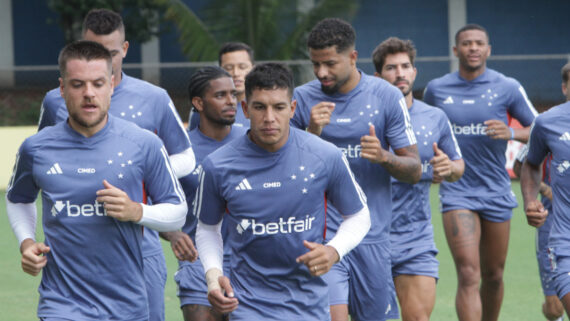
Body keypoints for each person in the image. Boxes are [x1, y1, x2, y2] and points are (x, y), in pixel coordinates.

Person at [5, 40, 187, 320]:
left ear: (112, 85)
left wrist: (137, 211)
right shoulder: (36, 148)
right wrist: (27, 242)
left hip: (127, 306)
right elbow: (18, 198)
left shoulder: (144, 144)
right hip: (61, 305)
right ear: (62, 89)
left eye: (98, 83)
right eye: (77, 85)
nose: (89, 93)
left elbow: (177, 212)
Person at [194, 63, 371, 320]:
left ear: (292, 108)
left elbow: (359, 215)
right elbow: (208, 228)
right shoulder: (217, 165)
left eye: (278, 107)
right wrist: (213, 276)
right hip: (248, 306)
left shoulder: (324, 155)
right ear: (245, 109)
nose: (269, 118)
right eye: (259, 107)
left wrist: (334, 250)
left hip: (310, 307)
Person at [291, 18, 421, 321]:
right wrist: (311, 133)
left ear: (352, 57)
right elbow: (286, 173)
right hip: (320, 237)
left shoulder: (387, 96)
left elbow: (414, 169)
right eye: (315, 64)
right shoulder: (301, 99)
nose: (322, 72)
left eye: (330, 63)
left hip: (371, 237)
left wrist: (384, 157)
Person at [423, 24, 538, 321]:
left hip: (497, 191)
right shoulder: (437, 89)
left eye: (478, 43)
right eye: (466, 43)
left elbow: (540, 129)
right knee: (468, 272)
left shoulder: (507, 86)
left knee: (494, 275)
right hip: (457, 191)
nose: (472, 48)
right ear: (455, 50)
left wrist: (511, 131)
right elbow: (423, 130)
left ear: (488, 50)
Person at [372, 37, 465, 321]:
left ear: (414, 71)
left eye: (405, 66)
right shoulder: (364, 118)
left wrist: (447, 168)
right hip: (370, 235)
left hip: (416, 234)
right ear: (378, 76)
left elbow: (459, 166)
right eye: (391, 68)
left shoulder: (435, 117)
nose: (399, 73)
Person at [161, 66, 247, 321]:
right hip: (197, 261)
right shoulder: (179, 151)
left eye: (233, 94)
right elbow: (154, 203)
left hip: (251, 261)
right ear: (198, 103)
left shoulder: (253, 141)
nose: (231, 101)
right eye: (220, 95)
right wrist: (174, 233)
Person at [512, 63, 570, 321]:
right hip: (563, 236)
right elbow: (529, 163)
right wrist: (530, 200)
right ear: (564, 87)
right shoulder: (546, 123)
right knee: (554, 305)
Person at [189, 42, 254, 129]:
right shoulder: (205, 107)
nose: (236, 73)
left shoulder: (265, 106)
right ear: (220, 70)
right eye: (228, 68)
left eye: (242, 67)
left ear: (253, 69)